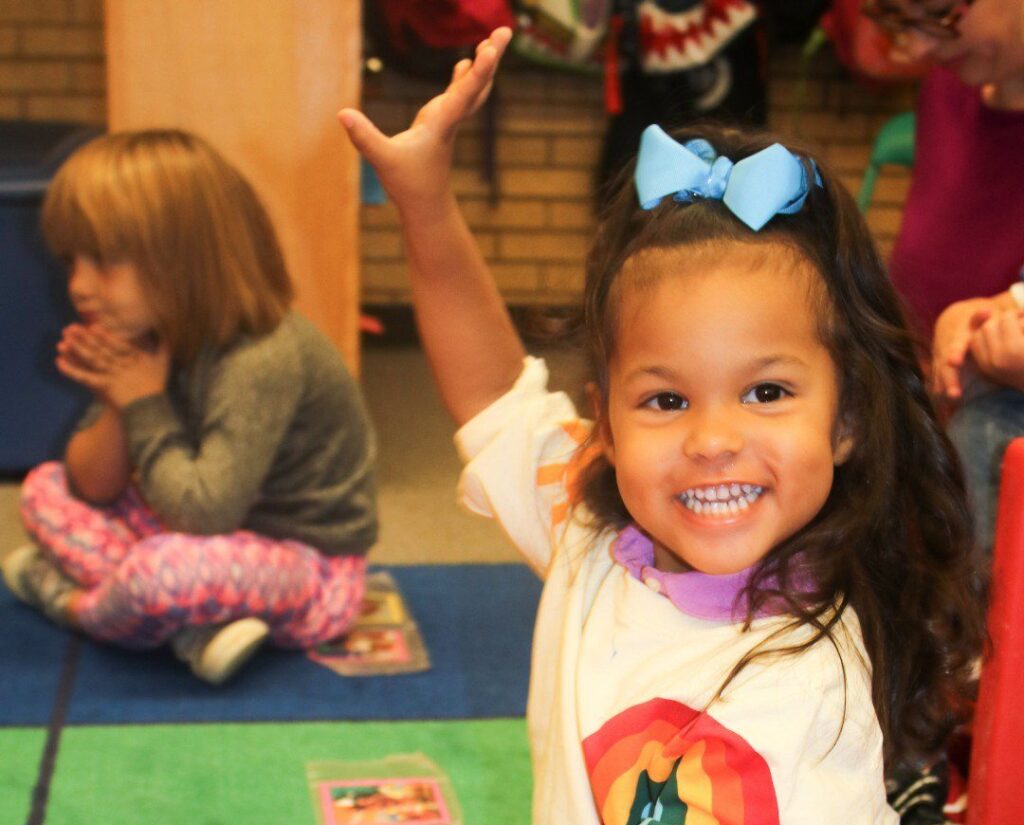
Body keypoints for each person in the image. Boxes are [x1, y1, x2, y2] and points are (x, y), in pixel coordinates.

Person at [341, 28, 985, 823]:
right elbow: (493, 395)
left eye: (767, 392)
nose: (712, 440)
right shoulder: (588, 536)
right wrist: (423, 200)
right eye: (667, 400)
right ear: (606, 426)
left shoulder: (818, 689)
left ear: (847, 418)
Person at [1, 130, 378, 684]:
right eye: (70, 260)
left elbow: (203, 516)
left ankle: (73, 603)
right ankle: (187, 628)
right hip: (195, 532)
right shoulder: (148, 332)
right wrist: (117, 402)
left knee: (163, 571)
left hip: (310, 571)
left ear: (185, 261)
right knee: (43, 488)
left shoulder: (261, 357)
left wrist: (144, 402)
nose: (78, 285)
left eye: (103, 261)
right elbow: (91, 488)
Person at [864, 0, 1024, 554]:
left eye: (938, 14)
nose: (916, 48)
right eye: (898, 22)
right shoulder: (949, 86)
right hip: (922, 426)